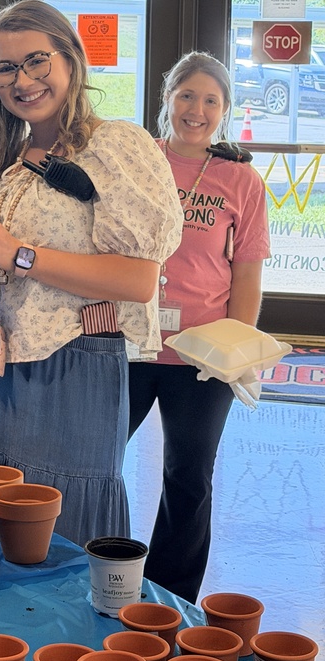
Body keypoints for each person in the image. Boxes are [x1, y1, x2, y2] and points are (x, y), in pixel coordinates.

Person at [0, 0, 183, 545]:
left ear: (71, 60)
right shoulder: (9, 160)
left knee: (59, 535)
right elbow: (1, 287)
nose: (24, 80)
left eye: (37, 61)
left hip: (72, 365)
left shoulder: (115, 145)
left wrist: (19, 253)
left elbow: (137, 279)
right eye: (6, 68)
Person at [127, 51, 270, 603]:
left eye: (212, 100)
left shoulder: (240, 178)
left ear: (225, 110)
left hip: (200, 355)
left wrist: (235, 348)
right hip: (131, 341)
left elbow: (247, 271)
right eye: (187, 95)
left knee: (188, 479)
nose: (197, 109)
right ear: (167, 98)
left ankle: (169, 599)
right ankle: (90, 573)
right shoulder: (140, 162)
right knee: (95, 460)